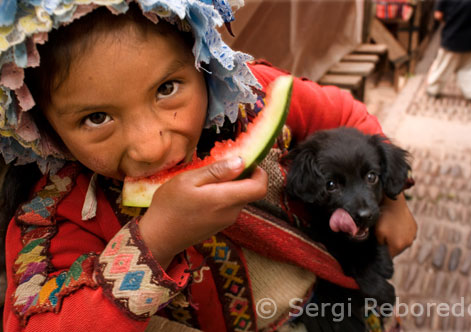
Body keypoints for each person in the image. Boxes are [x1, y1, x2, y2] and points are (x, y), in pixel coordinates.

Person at [0, 1, 417, 331]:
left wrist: (394, 200)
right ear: (41, 125)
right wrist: (155, 242)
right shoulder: (54, 217)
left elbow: (344, 113)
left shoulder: (252, 94)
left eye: (167, 89)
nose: (151, 146)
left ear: (203, 61)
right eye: (96, 118)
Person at [426, 0, 471, 108]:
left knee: (443, 67)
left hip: (451, 38)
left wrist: (447, 20)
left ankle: (433, 89)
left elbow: (438, 15)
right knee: (469, 69)